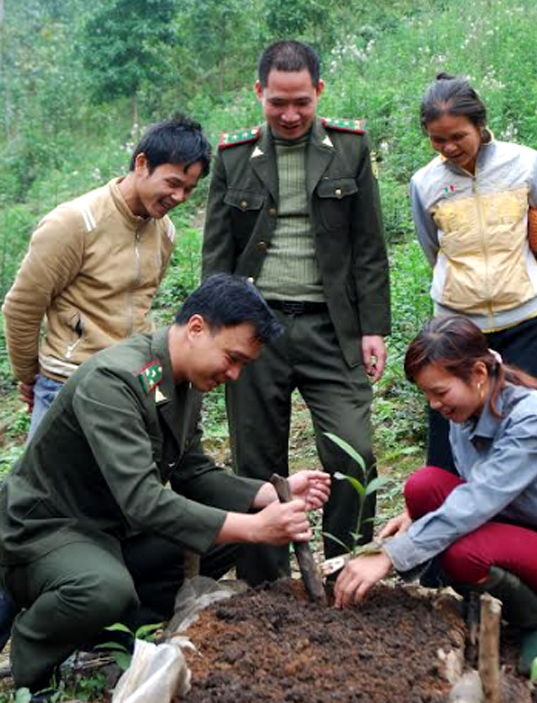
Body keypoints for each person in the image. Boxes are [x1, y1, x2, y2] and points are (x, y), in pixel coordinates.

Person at [0, 273, 331, 696]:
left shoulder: (171, 379)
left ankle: (116, 637)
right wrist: (254, 528)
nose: (234, 374)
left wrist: (268, 495)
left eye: (243, 365)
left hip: (112, 528)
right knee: (103, 588)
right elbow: (143, 500)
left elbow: (193, 472)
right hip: (49, 529)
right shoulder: (114, 381)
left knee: (232, 529)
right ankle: (35, 657)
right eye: (232, 358)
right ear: (196, 328)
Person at [202, 40, 391, 585]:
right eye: (278, 102)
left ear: (319, 93)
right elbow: (216, 255)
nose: (289, 115)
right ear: (259, 92)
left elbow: (369, 246)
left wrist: (374, 326)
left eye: (301, 102)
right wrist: (218, 331)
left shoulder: (349, 147)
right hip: (254, 333)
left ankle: (345, 568)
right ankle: (265, 585)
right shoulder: (234, 156)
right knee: (257, 462)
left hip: (333, 327)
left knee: (352, 452)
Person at [333, 316, 537, 673]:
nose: (435, 404)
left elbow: (478, 500)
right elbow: (472, 485)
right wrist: (414, 519)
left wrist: (389, 557)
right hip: (519, 525)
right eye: (427, 394)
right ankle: (483, 598)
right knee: (422, 488)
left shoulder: (532, 419)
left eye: (440, 392)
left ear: (479, 374)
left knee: (462, 554)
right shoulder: (468, 409)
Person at [2, 114, 212, 440]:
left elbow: (142, 308)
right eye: (173, 183)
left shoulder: (165, 232)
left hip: (134, 380)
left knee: (129, 484)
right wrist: (30, 377)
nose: (180, 197)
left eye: (189, 189)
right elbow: (22, 308)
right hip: (69, 383)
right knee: (51, 489)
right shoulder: (73, 223)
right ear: (141, 163)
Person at [409, 73, 537, 471]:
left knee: (518, 419)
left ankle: (517, 514)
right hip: (458, 325)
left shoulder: (525, 163)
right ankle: (447, 509)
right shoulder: (425, 183)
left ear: (480, 125)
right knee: (450, 422)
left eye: (458, 136)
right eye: (437, 140)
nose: (448, 147)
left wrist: (528, 281)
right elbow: (432, 248)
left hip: (524, 316)